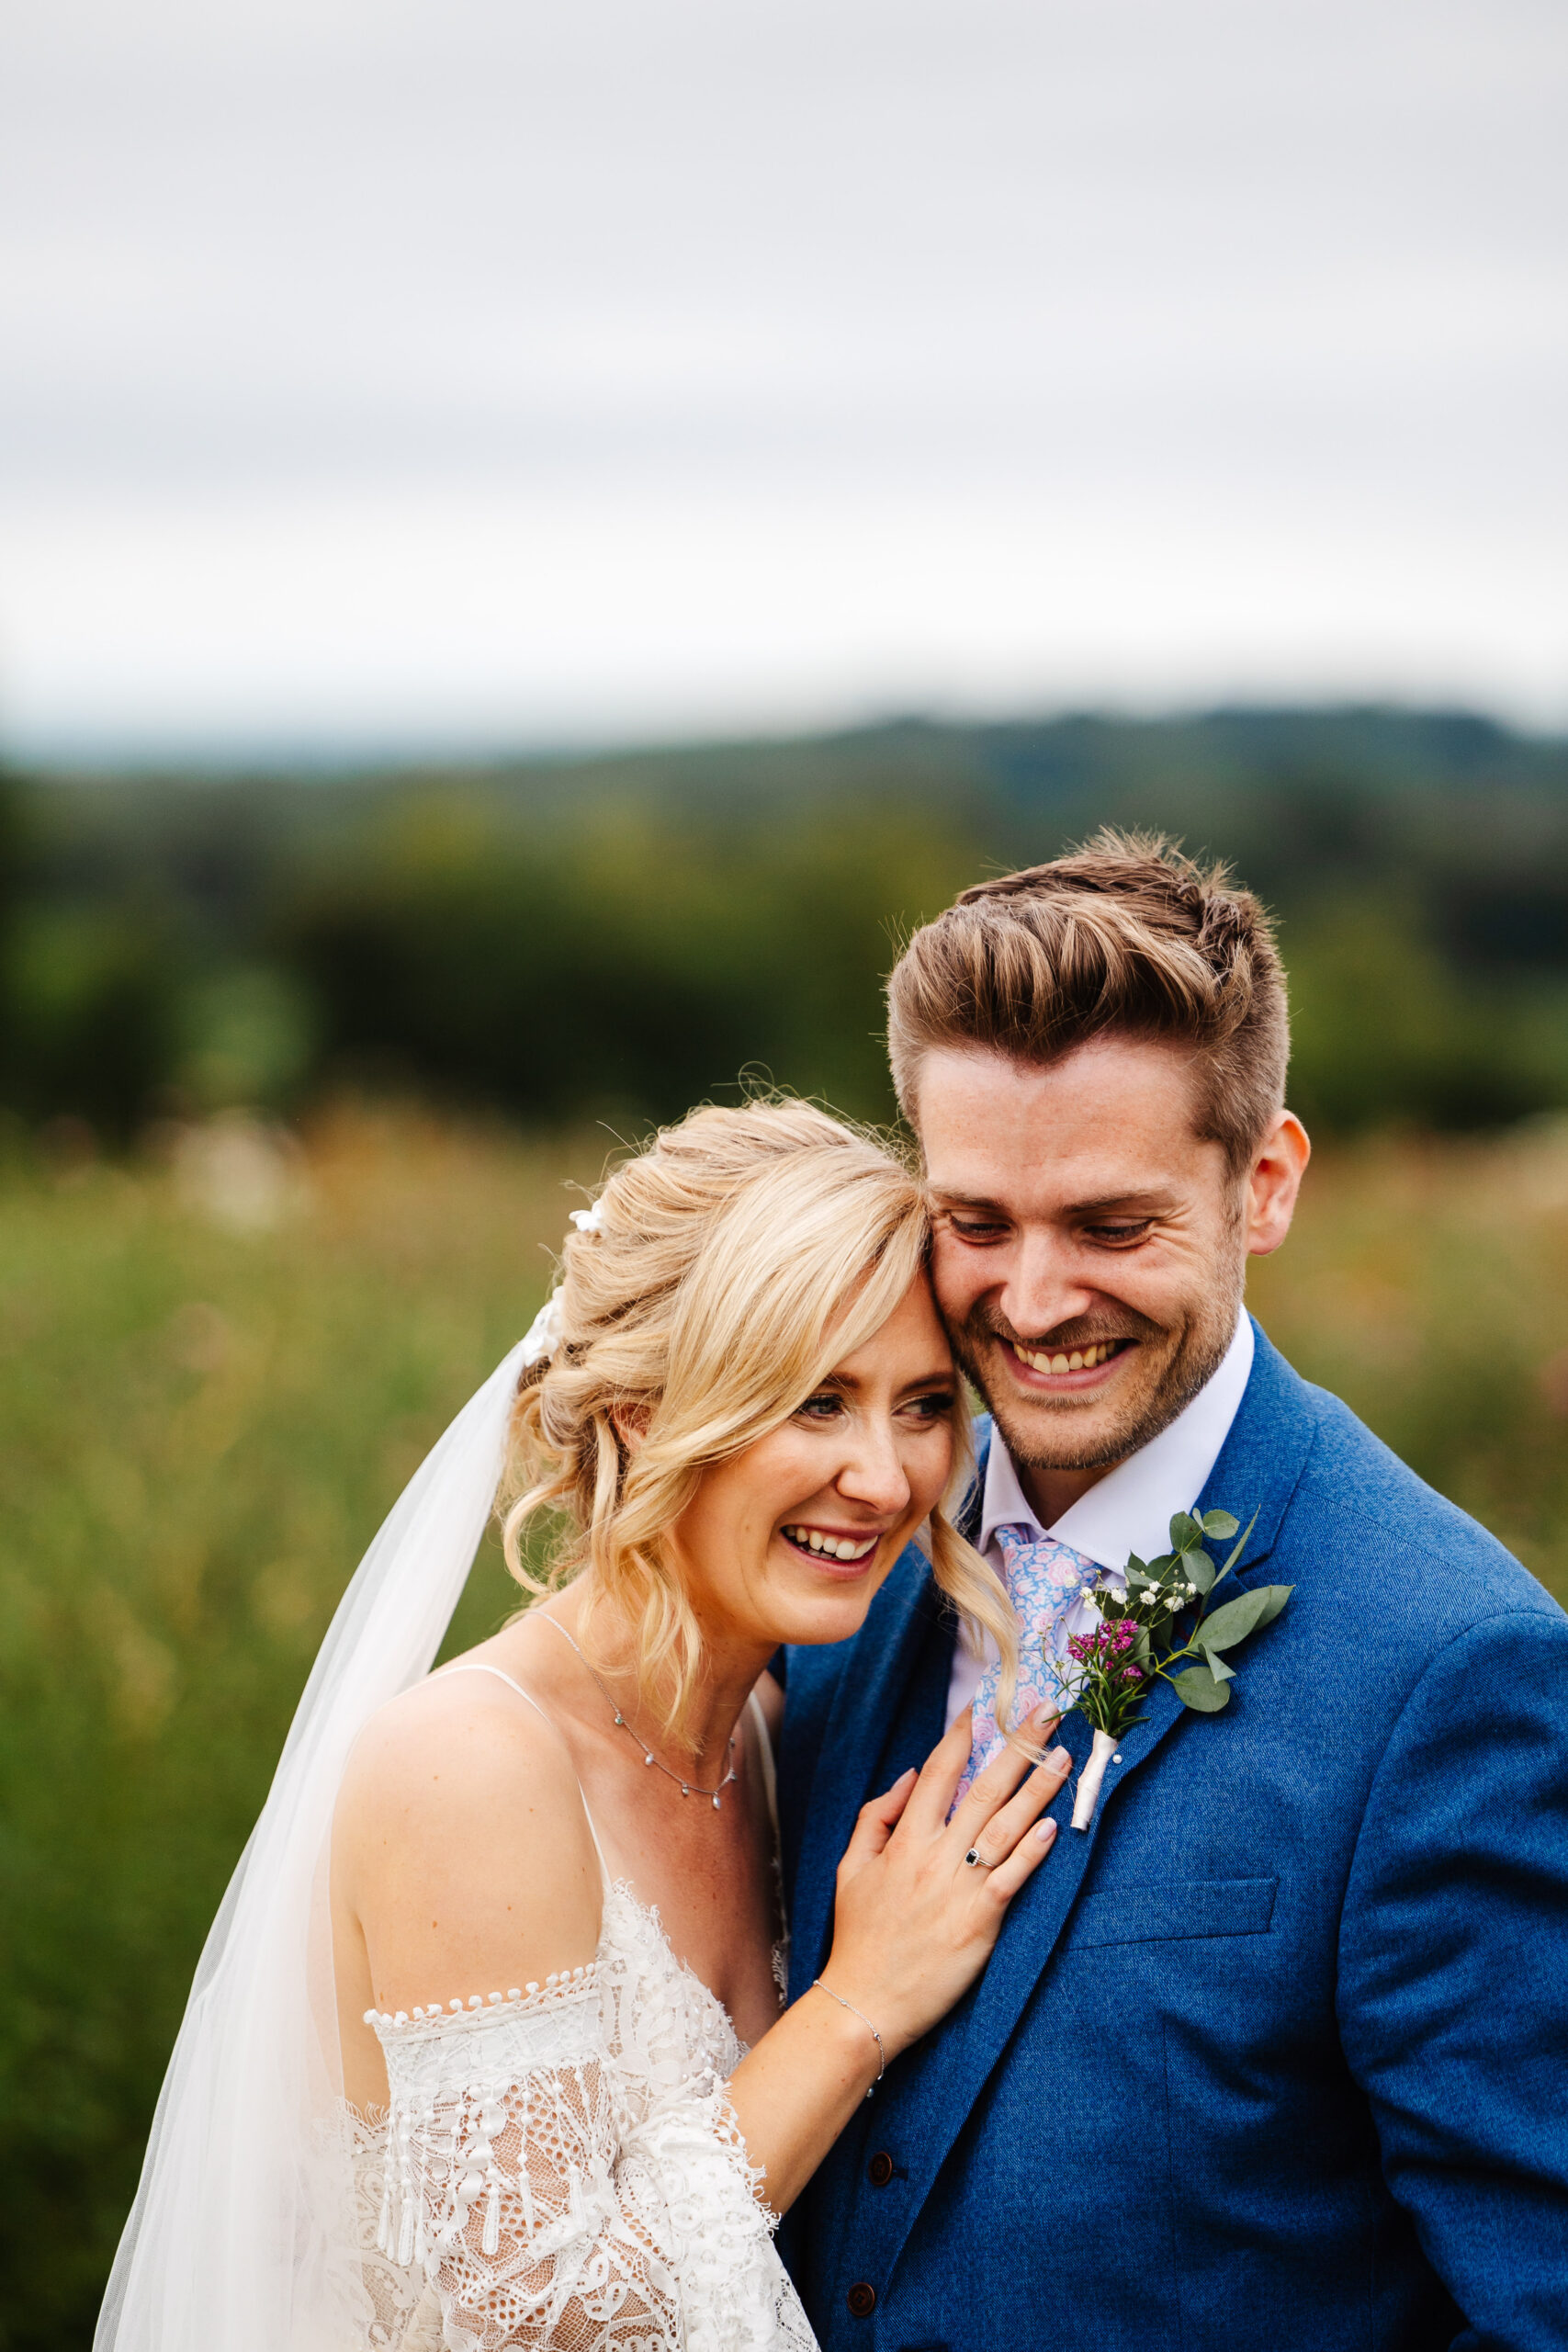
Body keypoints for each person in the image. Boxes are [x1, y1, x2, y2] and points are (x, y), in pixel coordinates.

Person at [96, 1099, 1066, 2352]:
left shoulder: (780, 1730)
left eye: (924, 1405)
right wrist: (855, 2005)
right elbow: (537, 2320)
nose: (885, 1479)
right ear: (644, 1414)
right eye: (817, 1403)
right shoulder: (474, 1762)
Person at [778, 834, 1568, 2352]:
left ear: (1262, 1185)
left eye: (1113, 1227)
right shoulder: (846, 1554)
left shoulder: (1460, 1675)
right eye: (978, 1222)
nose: (1033, 1301)